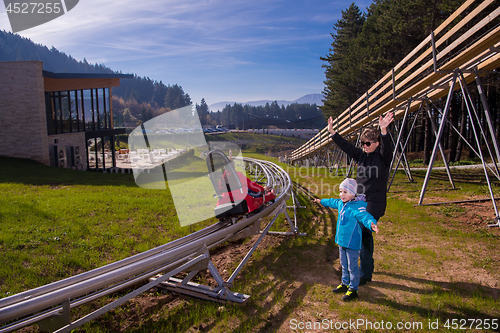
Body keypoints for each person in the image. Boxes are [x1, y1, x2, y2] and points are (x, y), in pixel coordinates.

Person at [327, 112, 394, 285]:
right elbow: (346, 147)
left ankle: (365, 273)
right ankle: (356, 268)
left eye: (368, 143)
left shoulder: (383, 158)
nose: (364, 146)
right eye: (363, 143)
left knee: (364, 234)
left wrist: (384, 130)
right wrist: (333, 132)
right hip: (359, 201)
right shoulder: (362, 156)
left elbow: (388, 149)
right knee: (356, 233)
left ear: (376, 144)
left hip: (374, 203)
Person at [313, 178, 379, 301]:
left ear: (353, 193)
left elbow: (365, 216)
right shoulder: (341, 203)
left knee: (352, 267)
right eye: (340, 191)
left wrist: (372, 224)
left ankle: (353, 289)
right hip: (342, 241)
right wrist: (320, 201)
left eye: (345, 192)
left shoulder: (357, 207)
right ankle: (345, 284)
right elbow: (331, 202)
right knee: (343, 264)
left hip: (352, 243)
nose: (342, 195)